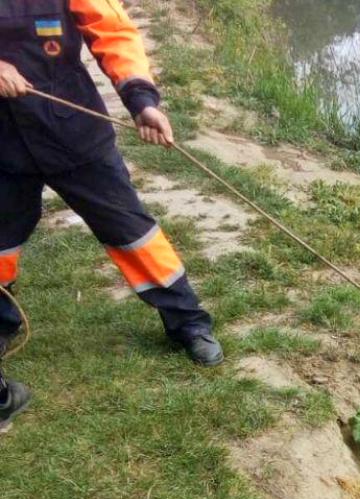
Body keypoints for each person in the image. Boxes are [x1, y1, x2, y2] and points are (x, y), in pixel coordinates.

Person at [0, 0, 222, 368]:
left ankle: (188, 321)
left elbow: (113, 31)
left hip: (72, 130)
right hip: (3, 143)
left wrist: (142, 101)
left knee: (131, 230)